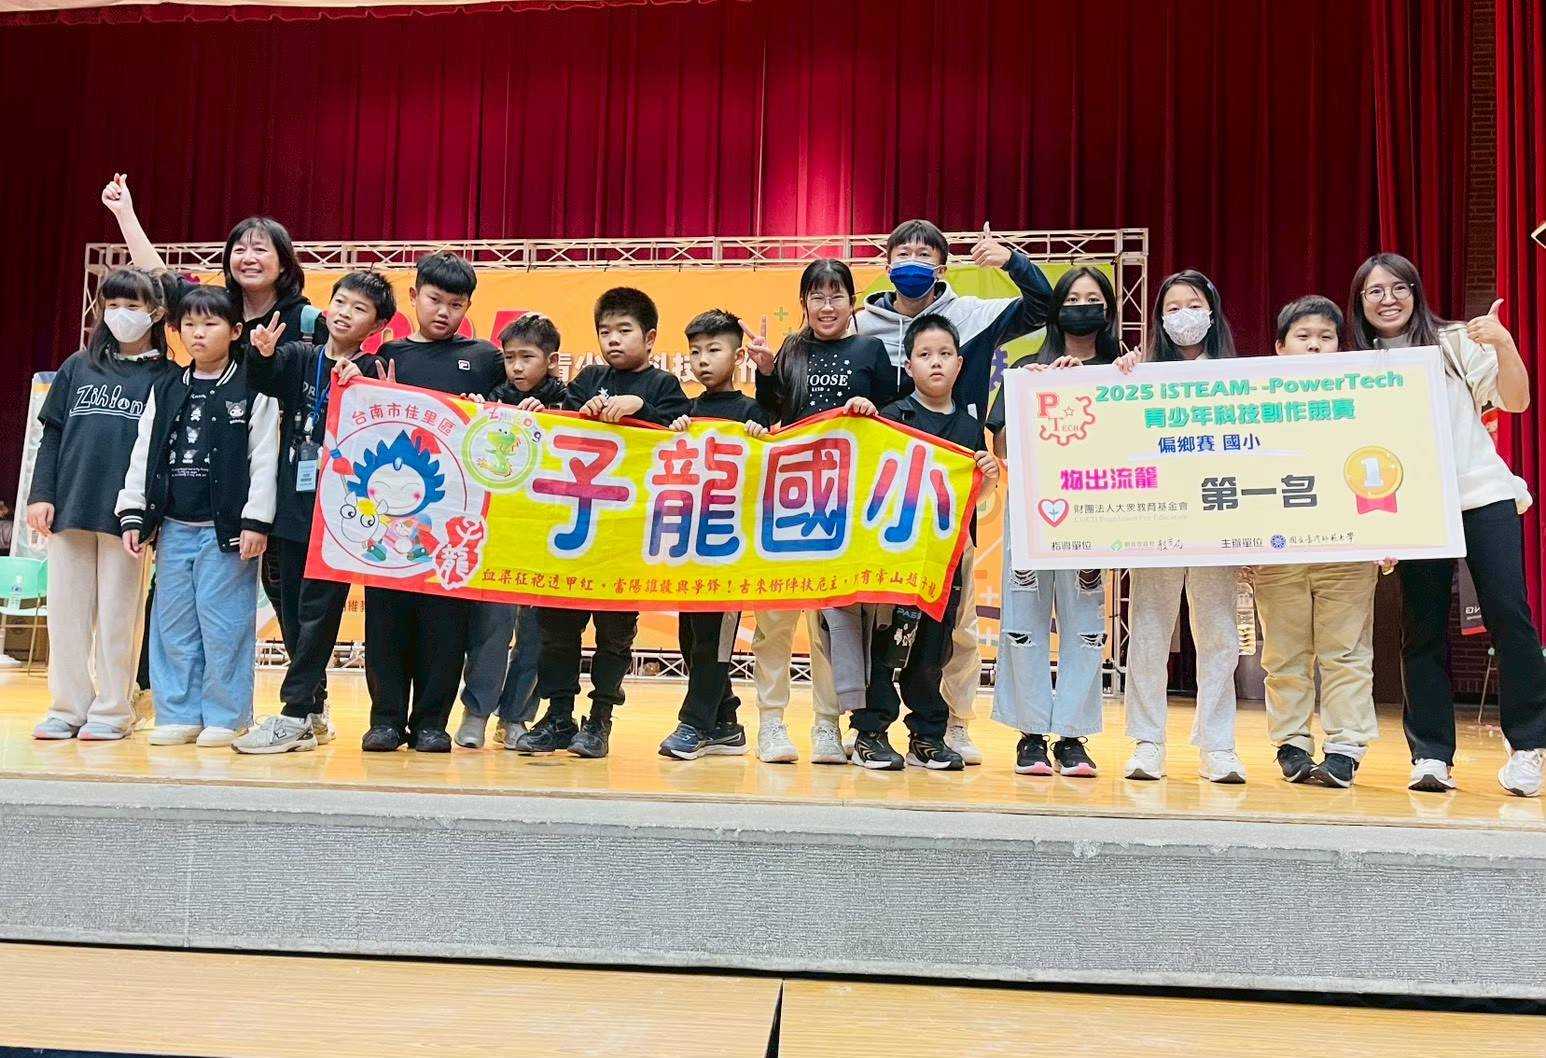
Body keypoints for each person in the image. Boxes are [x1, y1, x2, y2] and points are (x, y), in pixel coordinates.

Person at [101, 173, 323, 699]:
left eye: (261, 249)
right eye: (239, 248)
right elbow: (159, 276)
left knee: (286, 588)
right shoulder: (213, 306)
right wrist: (124, 213)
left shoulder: (306, 319)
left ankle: (307, 702)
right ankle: (165, 696)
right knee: (177, 592)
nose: (249, 257)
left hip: (279, 466)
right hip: (207, 473)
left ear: (284, 262)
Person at [1347, 252, 1545, 797]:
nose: (1388, 299)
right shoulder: (1355, 365)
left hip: (1483, 493)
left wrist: (1503, 343)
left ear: (1415, 292)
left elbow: (1517, 400)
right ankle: (1432, 754)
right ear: (1360, 303)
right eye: (1374, 291)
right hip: (1414, 506)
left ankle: (1529, 746)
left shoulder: (1454, 342)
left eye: (1399, 287)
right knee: (1422, 628)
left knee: (1510, 614)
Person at [857, 220, 1054, 766]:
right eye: (903, 253)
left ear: (943, 264)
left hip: (951, 513)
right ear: (886, 262)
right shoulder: (862, 326)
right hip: (888, 516)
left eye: (925, 254)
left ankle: (950, 725)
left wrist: (1011, 261)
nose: (913, 262)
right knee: (881, 628)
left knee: (954, 630)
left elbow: (1042, 305)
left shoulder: (971, 316)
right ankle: (869, 729)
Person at [514, 288, 690, 760]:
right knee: (556, 628)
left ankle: (600, 720)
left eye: (624, 330)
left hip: (625, 535)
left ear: (650, 338)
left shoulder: (665, 385)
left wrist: (639, 409)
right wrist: (573, 414)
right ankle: (557, 716)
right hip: (573, 528)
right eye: (604, 331)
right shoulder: (589, 378)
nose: (613, 339)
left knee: (615, 634)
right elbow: (560, 425)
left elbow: (683, 435)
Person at [232, 271, 396, 754]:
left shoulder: (375, 368)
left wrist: (372, 390)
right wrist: (261, 353)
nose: (345, 313)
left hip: (342, 513)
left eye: (359, 308)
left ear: (377, 325)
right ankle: (315, 707)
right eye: (341, 301)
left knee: (318, 612)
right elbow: (263, 379)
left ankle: (295, 712)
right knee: (288, 606)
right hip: (292, 503)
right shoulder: (302, 356)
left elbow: (388, 427)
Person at [116, 285, 279, 747]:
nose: (198, 333)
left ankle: (228, 716)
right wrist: (133, 511)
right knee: (173, 624)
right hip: (173, 527)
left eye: (210, 324)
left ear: (236, 331)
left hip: (226, 530)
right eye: (189, 324)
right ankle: (178, 712)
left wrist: (256, 520)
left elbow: (264, 457)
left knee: (225, 625)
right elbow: (144, 452)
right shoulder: (166, 386)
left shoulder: (254, 386)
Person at [750, 258, 897, 765]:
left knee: (832, 624)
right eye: (817, 296)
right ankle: (771, 723)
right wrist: (765, 371)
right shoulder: (790, 350)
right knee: (774, 620)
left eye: (836, 295)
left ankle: (827, 725)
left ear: (852, 302)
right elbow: (770, 414)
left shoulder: (871, 351)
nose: (827, 305)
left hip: (843, 506)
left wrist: (871, 412)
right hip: (787, 502)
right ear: (804, 303)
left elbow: (895, 421)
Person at [361, 251, 504, 753]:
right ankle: (385, 719)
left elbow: (510, 421)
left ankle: (431, 723)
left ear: (469, 306)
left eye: (456, 304)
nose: (444, 312)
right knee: (386, 621)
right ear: (413, 296)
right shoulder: (388, 356)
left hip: (453, 520)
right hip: (391, 517)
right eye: (435, 299)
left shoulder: (485, 358)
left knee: (446, 628)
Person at [29, 268, 175, 741]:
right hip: (69, 506)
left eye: (132, 306)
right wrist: (41, 494)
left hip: (127, 518)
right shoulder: (78, 366)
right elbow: (52, 435)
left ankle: (113, 709)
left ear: (155, 313)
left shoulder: (167, 376)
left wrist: (150, 514)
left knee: (119, 616)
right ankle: (67, 707)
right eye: (112, 305)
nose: (120, 314)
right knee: (66, 615)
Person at [987, 265, 1123, 776]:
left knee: (1085, 625)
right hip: (1034, 511)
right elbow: (1002, 446)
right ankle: (1030, 734)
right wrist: (1043, 395)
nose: (1082, 308)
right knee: (1024, 619)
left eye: (1093, 299)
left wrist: (1127, 378)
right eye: (1072, 299)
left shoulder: (1123, 370)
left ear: (1108, 309)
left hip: (1093, 512)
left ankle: (1072, 735)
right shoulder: (1028, 369)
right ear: (1057, 309)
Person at [850, 315, 998, 770]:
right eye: (925, 354)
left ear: (960, 364)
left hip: (943, 561)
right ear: (908, 365)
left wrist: (989, 479)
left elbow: (974, 500)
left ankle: (927, 736)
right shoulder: (890, 419)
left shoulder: (970, 428)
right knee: (881, 646)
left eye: (945, 354)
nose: (936, 362)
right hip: (892, 559)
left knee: (934, 649)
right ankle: (870, 732)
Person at [1251, 297, 1383, 788]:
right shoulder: (1253, 403)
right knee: (1284, 654)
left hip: (1347, 548)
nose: (1314, 346)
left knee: (1345, 653)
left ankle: (1346, 747)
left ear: (1339, 347)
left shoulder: (1365, 402)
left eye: (1326, 337)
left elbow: (1388, 463)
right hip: (1278, 548)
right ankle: (1291, 742)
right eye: (1303, 336)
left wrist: (1393, 532)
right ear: (1279, 347)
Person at [1121, 269, 1248, 784]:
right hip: (1157, 517)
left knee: (1219, 635)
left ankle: (1218, 745)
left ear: (1212, 312)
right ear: (1159, 319)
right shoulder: (1141, 373)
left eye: (1192, 305)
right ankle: (1147, 741)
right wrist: (1123, 375)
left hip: (1217, 514)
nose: (1183, 316)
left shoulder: (1238, 377)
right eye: (1172, 308)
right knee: (1149, 631)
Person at [657, 309, 772, 760]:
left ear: (738, 356)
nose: (702, 360)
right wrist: (673, 434)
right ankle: (725, 723)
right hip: (690, 545)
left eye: (714, 350)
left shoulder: (751, 412)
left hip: (730, 549)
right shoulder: (686, 411)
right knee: (690, 639)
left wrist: (761, 438)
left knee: (714, 641)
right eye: (695, 352)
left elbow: (771, 464)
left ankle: (694, 725)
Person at [453, 313, 567, 751]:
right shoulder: (491, 399)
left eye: (527, 357)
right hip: (498, 528)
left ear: (551, 360)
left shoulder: (571, 402)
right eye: (509, 358)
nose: (516, 367)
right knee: (491, 625)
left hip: (549, 531)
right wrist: (473, 412)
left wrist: (553, 418)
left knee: (538, 631)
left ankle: (517, 716)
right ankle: (476, 712)